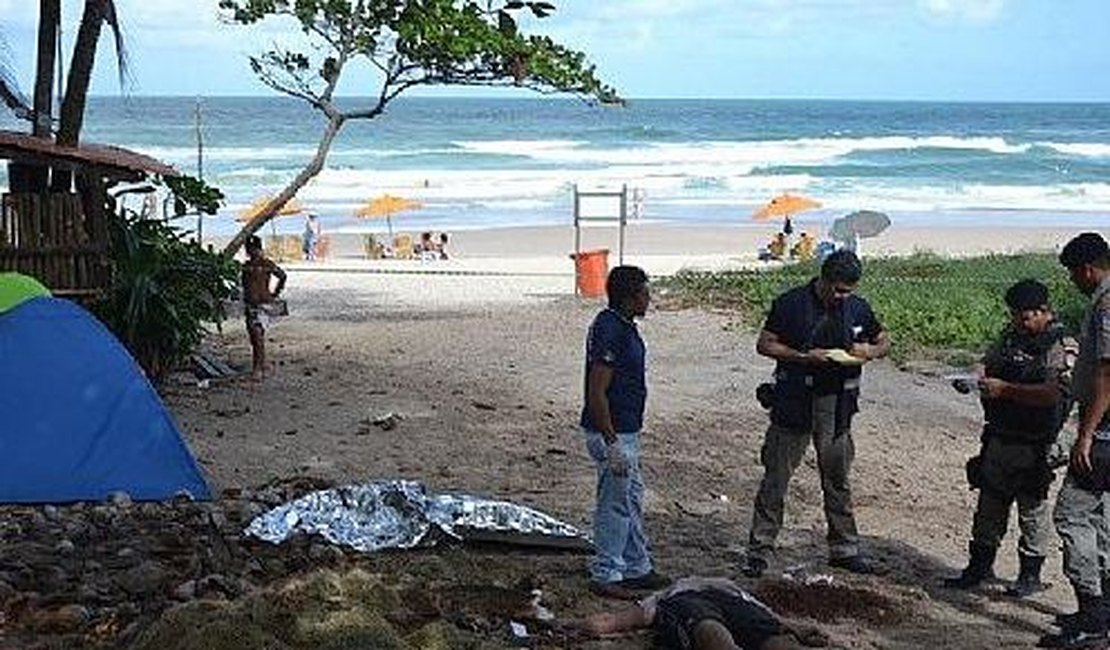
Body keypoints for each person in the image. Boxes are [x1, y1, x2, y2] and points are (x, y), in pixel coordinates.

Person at [742, 250, 891, 578]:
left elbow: (883, 341)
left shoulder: (858, 308)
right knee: (776, 478)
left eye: (848, 291)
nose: (842, 297)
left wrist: (871, 351)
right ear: (823, 279)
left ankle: (844, 548)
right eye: (837, 289)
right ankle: (759, 550)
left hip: (836, 404)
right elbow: (765, 344)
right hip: (794, 399)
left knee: (837, 477)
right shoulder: (791, 303)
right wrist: (802, 356)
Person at [943, 279, 1074, 597]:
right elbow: (988, 362)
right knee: (990, 502)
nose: (1019, 322)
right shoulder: (1011, 336)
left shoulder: (1061, 345)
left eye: (1026, 316)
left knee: (1032, 509)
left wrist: (1006, 390)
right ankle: (979, 567)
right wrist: (976, 377)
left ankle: (1029, 575)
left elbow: (1053, 394)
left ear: (1044, 311)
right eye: (1016, 315)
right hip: (1001, 436)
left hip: (1038, 440)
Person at [581, 265, 669, 599]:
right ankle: (607, 571)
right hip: (614, 430)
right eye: (645, 293)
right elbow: (597, 390)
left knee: (630, 497)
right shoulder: (611, 331)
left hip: (625, 428)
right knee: (614, 503)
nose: (649, 299)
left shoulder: (620, 326)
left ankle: (636, 566)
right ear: (630, 297)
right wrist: (611, 440)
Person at [1041, 232, 1110, 649]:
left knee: (1071, 515)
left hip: (1104, 429)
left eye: (1073, 274)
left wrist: (1084, 436)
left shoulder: (1105, 303)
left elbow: (1106, 377)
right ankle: (1102, 611)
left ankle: (1093, 616)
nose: (1073, 282)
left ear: (1087, 269)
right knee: (1101, 518)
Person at [576, 576, 828, 650]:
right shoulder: (665, 596)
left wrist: (796, 627)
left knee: (713, 631)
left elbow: (611, 622)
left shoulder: (664, 597)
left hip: (725, 597)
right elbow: (617, 620)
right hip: (709, 599)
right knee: (714, 631)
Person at [242, 235, 287, 380]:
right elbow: (243, 285)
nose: (253, 253)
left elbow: (282, 276)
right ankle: (262, 364)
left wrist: (275, 293)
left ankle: (258, 368)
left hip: (263, 304)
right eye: (250, 250)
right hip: (250, 304)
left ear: (260, 250)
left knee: (257, 335)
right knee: (254, 337)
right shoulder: (246, 266)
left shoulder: (266, 264)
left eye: (255, 250)